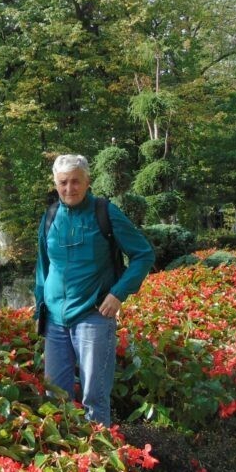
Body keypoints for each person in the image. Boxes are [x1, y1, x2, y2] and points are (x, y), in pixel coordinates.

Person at [35, 154, 154, 425]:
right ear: (55, 184)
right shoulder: (51, 216)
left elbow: (143, 254)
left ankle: (99, 460)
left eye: (76, 181)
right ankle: (65, 458)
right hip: (54, 320)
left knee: (94, 396)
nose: (69, 188)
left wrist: (118, 293)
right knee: (56, 397)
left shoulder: (105, 212)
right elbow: (43, 266)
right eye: (63, 183)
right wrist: (39, 307)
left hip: (93, 315)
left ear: (88, 182)